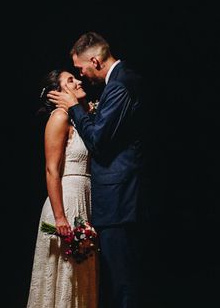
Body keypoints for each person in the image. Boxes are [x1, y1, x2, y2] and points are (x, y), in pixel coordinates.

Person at [48, 32, 145, 308]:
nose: (81, 76)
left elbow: (99, 142)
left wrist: (76, 108)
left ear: (95, 60)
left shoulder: (119, 85)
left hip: (119, 201)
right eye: (73, 75)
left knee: (122, 284)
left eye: (81, 69)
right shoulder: (120, 82)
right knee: (116, 282)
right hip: (103, 200)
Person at [26, 70, 98, 308]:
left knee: (80, 278)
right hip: (65, 202)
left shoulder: (82, 117)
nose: (78, 81)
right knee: (64, 276)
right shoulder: (59, 117)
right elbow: (51, 170)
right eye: (70, 80)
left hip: (84, 199)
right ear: (57, 93)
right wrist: (59, 217)